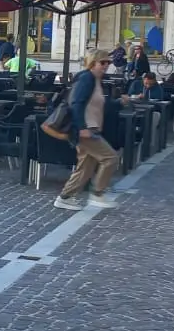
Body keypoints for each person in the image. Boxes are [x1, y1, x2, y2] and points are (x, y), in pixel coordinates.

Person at [54, 49, 129, 212]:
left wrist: (118, 103)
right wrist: (82, 127)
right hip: (86, 129)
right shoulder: (86, 78)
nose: (106, 66)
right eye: (103, 63)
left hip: (90, 128)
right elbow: (77, 103)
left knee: (86, 166)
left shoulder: (95, 80)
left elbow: (100, 105)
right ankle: (97, 193)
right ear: (92, 63)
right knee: (110, 158)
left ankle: (65, 197)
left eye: (108, 63)